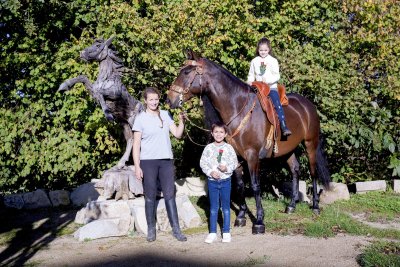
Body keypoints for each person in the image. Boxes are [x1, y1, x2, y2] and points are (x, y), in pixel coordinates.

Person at [132, 87, 187, 242]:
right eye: (151, 99)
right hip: (148, 162)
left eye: (156, 99)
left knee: (170, 195)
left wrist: (181, 122)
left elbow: (177, 134)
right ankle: (151, 230)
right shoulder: (140, 118)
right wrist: (137, 166)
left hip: (166, 161)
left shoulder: (165, 115)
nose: (154, 102)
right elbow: (136, 145)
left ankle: (176, 230)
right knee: (149, 196)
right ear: (145, 100)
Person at [200, 122, 238, 243]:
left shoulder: (229, 148)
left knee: (226, 208)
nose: (218, 134)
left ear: (225, 134)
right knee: (213, 208)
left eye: (221, 132)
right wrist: (211, 172)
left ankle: (226, 231)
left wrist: (226, 169)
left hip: (226, 181)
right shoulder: (208, 148)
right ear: (212, 133)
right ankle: (212, 232)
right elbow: (203, 163)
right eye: (216, 132)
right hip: (212, 183)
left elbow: (234, 163)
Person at [247, 37, 292, 136]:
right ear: (258, 50)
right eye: (261, 50)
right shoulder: (254, 61)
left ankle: (283, 125)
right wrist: (249, 81)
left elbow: (277, 75)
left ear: (269, 50)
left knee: (276, 103)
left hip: (271, 87)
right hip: (257, 88)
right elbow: (251, 74)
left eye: (265, 50)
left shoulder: (273, 60)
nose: (263, 52)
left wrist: (268, 81)